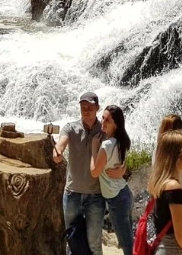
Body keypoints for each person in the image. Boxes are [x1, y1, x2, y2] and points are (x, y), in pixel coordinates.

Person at [54, 92, 105, 255]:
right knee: (73, 239)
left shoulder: (105, 130)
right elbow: (61, 143)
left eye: (90, 107)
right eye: (83, 107)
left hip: (96, 195)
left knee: (94, 243)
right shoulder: (71, 127)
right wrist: (58, 153)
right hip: (72, 194)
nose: (86, 110)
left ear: (97, 108)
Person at [145, 130, 182, 255]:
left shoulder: (158, 182)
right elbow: (180, 235)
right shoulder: (174, 188)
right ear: (176, 159)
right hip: (175, 249)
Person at [93, 104, 134, 255]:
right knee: (129, 240)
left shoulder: (106, 145)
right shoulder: (122, 141)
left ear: (116, 124)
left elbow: (94, 172)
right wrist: (122, 170)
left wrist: (93, 148)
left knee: (126, 243)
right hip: (125, 194)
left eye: (108, 120)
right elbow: (123, 164)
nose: (103, 122)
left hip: (117, 200)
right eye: (102, 118)